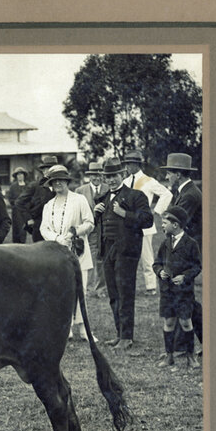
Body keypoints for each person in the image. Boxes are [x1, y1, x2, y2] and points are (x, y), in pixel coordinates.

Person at [95, 156, 153, 351]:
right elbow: (101, 225)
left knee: (125, 293)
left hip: (127, 250)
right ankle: (120, 334)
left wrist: (124, 214)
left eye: (114, 176)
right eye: (107, 177)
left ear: (123, 174)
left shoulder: (137, 196)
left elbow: (148, 220)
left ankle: (127, 337)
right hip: (108, 250)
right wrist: (97, 213)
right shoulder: (102, 198)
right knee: (113, 294)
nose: (111, 180)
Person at [39, 166, 96, 341]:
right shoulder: (49, 205)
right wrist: (57, 238)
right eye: (54, 181)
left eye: (61, 180)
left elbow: (90, 222)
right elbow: (44, 228)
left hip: (78, 252)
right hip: (57, 253)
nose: (57, 183)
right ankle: (66, 328)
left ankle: (84, 328)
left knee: (81, 289)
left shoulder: (79, 200)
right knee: (60, 290)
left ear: (67, 181)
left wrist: (74, 232)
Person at [161, 152, 204, 355]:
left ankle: (185, 346)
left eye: (169, 173)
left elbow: (174, 220)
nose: (167, 177)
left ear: (178, 174)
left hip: (186, 251)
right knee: (187, 301)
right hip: (182, 249)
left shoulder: (189, 195)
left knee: (186, 300)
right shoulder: (184, 192)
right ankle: (187, 344)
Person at [153, 206, 202, 370]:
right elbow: (156, 263)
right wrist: (160, 272)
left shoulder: (191, 244)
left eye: (164, 223)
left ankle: (190, 356)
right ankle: (169, 356)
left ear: (176, 224)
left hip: (184, 293)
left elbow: (197, 266)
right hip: (167, 292)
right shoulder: (165, 243)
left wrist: (185, 276)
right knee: (168, 322)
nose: (162, 226)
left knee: (186, 322)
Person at [123, 149, 172, 295]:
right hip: (127, 223)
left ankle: (151, 287)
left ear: (137, 164)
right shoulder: (125, 181)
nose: (127, 167)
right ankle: (127, 286)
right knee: (128, 256)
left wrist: (155, 211)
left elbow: (167, 194)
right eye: (126, 164)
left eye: (130, 164)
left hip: (144, 225)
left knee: (146, 256)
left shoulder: (149, 181)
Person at [75, 160, 107, 297]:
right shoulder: (80, 191)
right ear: (89, 176)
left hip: (105, 230)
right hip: (89, 231)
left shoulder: (108, 188)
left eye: (99, 174)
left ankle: (101, 289)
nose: (97, 177)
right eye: (94, 175)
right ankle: (87, 289)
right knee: (89, 258)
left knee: (103, 259)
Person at [13, 154, 57, 242]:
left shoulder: (60, 186)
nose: (52, 172)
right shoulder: (35, 186)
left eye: (55, 170)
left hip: (58, 225)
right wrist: (28, 218)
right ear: (44, 171)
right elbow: (19, 202)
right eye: (49, 169)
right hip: (40, 225)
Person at [7, 167, 29, 243]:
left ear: (24, 176)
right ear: (16, 176)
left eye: (21, 174)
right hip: (16, 211)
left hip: (25, 211)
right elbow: (10, 198)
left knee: (23, 229)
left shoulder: (28, 186)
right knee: (16, 229)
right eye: (18, 175)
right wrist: (15, 203)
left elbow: (31, 197)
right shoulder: (13, 186)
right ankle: (15, 244)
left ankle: (23, 244)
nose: (20, 176)